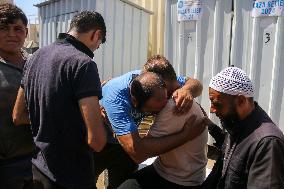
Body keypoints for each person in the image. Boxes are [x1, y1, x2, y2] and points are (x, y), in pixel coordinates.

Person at [13, 11, 107, 189]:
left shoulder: (35, 57)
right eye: (99, 44)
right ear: (97, 35)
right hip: (72, 176)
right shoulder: (83, 64)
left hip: (39, 171)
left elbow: (18, 115)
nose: (96, 49)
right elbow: (97, 141)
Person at [94, 55, 205, 188]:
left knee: (120, 183)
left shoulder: (157, 84)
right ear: (135, 101)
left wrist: (186, 90)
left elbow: (196, 84)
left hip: (125, 141)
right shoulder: (117, 99)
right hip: (96, 141)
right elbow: (138, 153)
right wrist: (185, 135)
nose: (171, 98)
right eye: (169, 93)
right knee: (83, 182)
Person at [207, 67, 284, 189]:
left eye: (217, 104)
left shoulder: (267, 143)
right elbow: (231, 147)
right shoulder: (237, 123)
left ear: (241, 101)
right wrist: (209, 125)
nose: (212, 110)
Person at [118, 97, 208, 189]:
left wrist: (115, 125)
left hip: (181, 180)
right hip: (168, 171)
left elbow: (140, 154)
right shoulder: (177, 98)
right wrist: (186, 135)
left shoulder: (173, 107)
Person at [0, 3, 35, 189]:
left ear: (26, 32)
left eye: (17, 29)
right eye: (4, 28)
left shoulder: (36, 63)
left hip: (37, 158)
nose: (12, 34)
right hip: (6, 165)